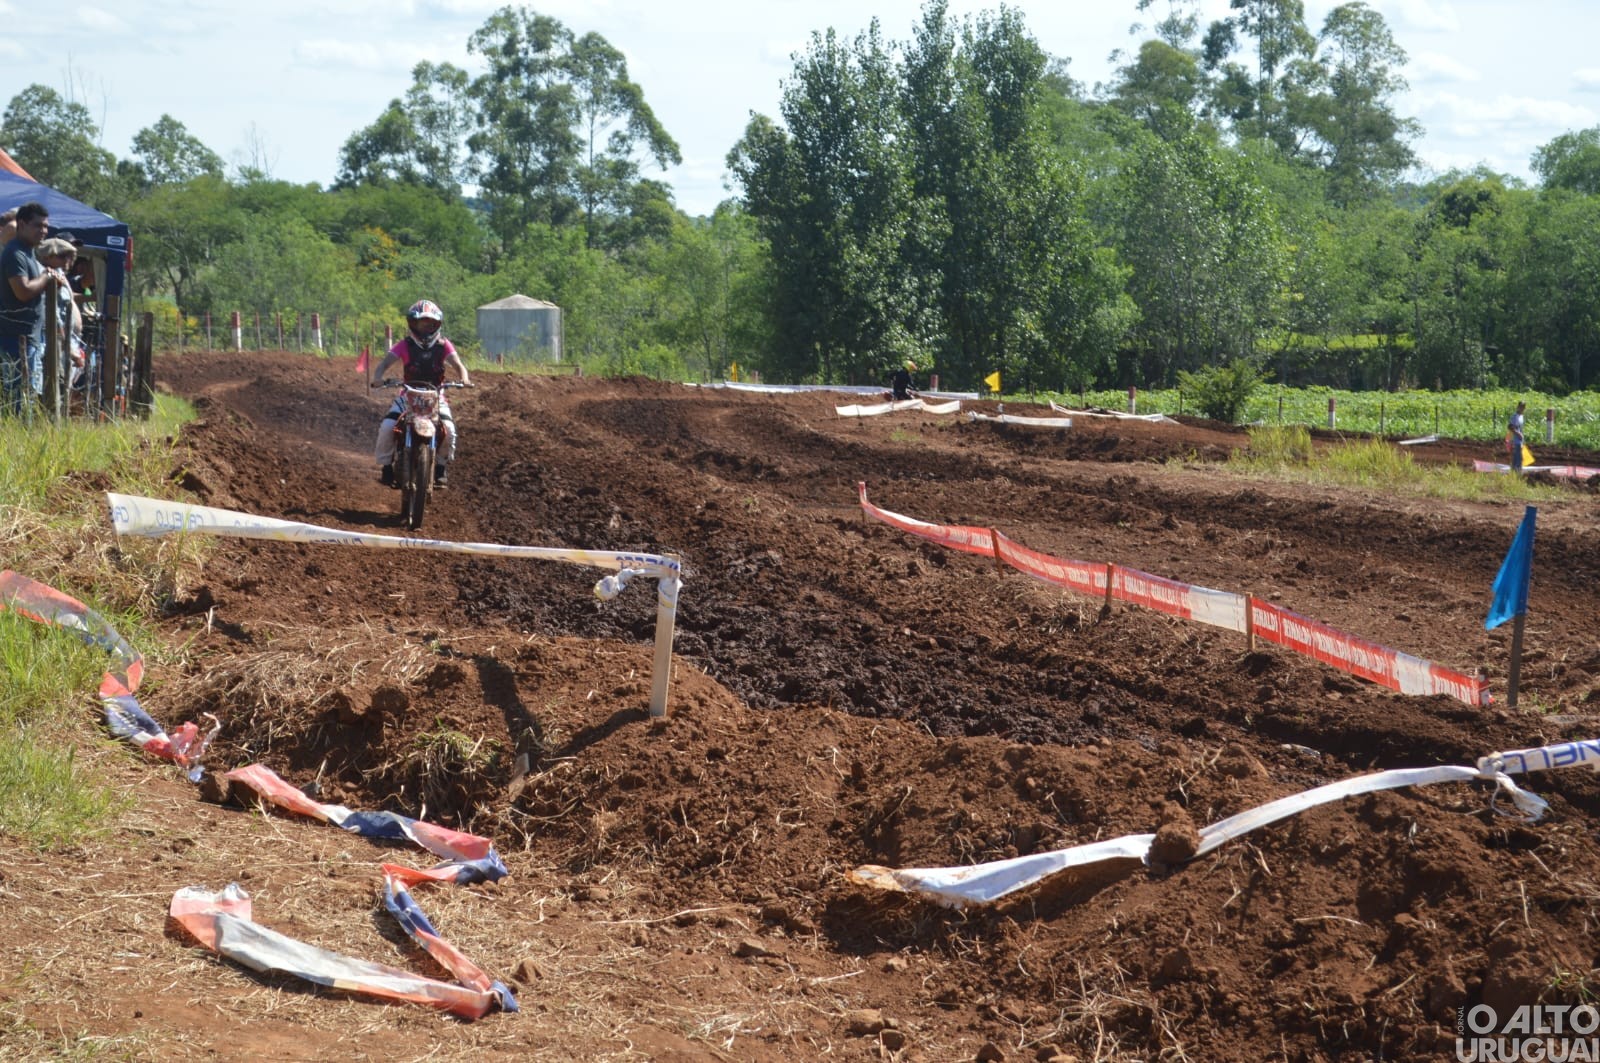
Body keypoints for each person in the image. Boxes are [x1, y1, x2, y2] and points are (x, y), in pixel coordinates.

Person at [370, 300, 472, 488]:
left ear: (437, 325)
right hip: (408, 394)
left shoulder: (443, 345)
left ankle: (440, 467)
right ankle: (386, 467)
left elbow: (459, 365)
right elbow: (384, 364)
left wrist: (464, 378)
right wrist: (378, 377)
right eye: (421, 323)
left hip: (436, 396)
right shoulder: (405, 345)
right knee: (387, 426)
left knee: (448, 429)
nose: (425, 328)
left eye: (430, 324)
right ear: (413, 324)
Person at [0, 202, 66, 416]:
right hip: (14, 339)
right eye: (38, 225)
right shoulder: (14, 254)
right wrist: (47, 276)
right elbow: (23, 291)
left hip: (28, 338)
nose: (44, 231)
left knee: (24, 397)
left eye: (46, 226)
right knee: (15, 401)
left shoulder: (27, 253)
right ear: (21, 224)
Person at [35, 237, 86, 388]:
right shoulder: (44, 276)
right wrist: (68, 347)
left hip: (62, 340)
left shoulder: (59, 275)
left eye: (70, 257)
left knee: (62, 384)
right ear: (47, 256)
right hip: (50, 340)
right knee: (53, 384)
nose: (68, 261)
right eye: (63, 256)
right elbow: (52, 313)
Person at [1508, 400, 1527, 473]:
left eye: (1523, 407)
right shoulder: (1515, 416)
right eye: (1521, 407)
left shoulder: (1521, 416)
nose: (1522, 409)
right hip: (1516, 440)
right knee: (1519, 457)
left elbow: (1520, 428)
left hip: (1520, 440)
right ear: (1518, 407)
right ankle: (1518, 473)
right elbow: (1510, 426)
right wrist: (1518, 433)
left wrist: (1522, 437)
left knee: (1516, 457)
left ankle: (1513, 471)